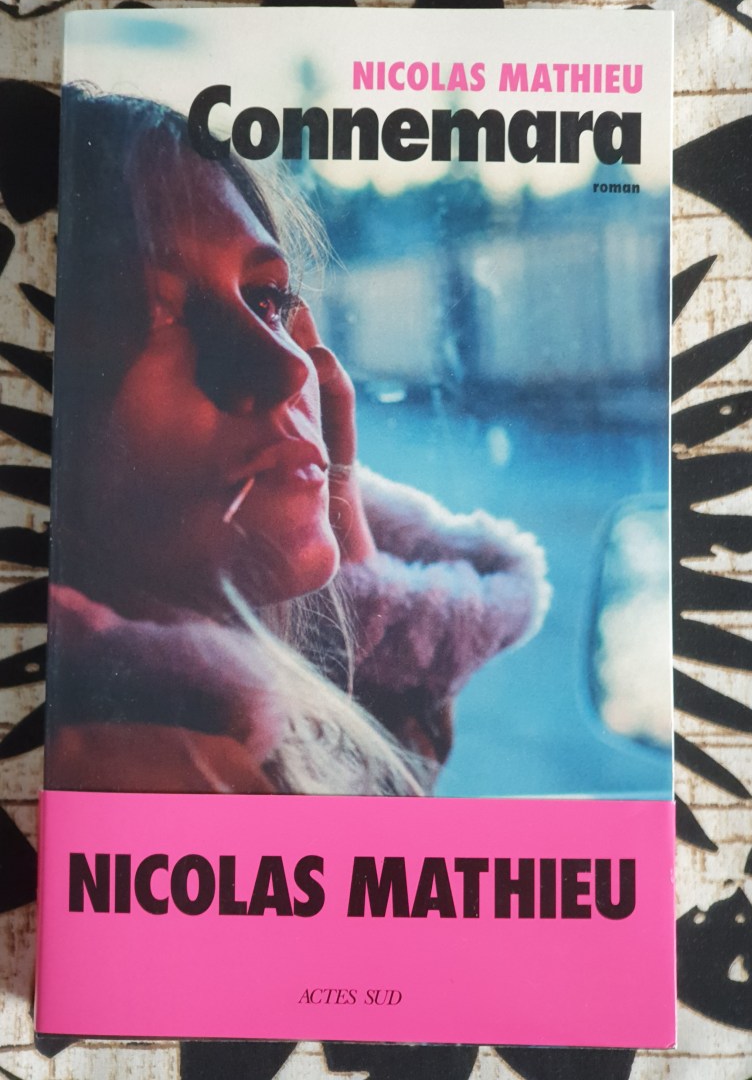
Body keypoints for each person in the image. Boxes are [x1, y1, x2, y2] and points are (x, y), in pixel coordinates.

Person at [47, 86, 551, 797]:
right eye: (150, 313)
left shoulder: (214, 742)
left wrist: (344, 538)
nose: (289, 366)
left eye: (269, 302)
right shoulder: (157, 774)